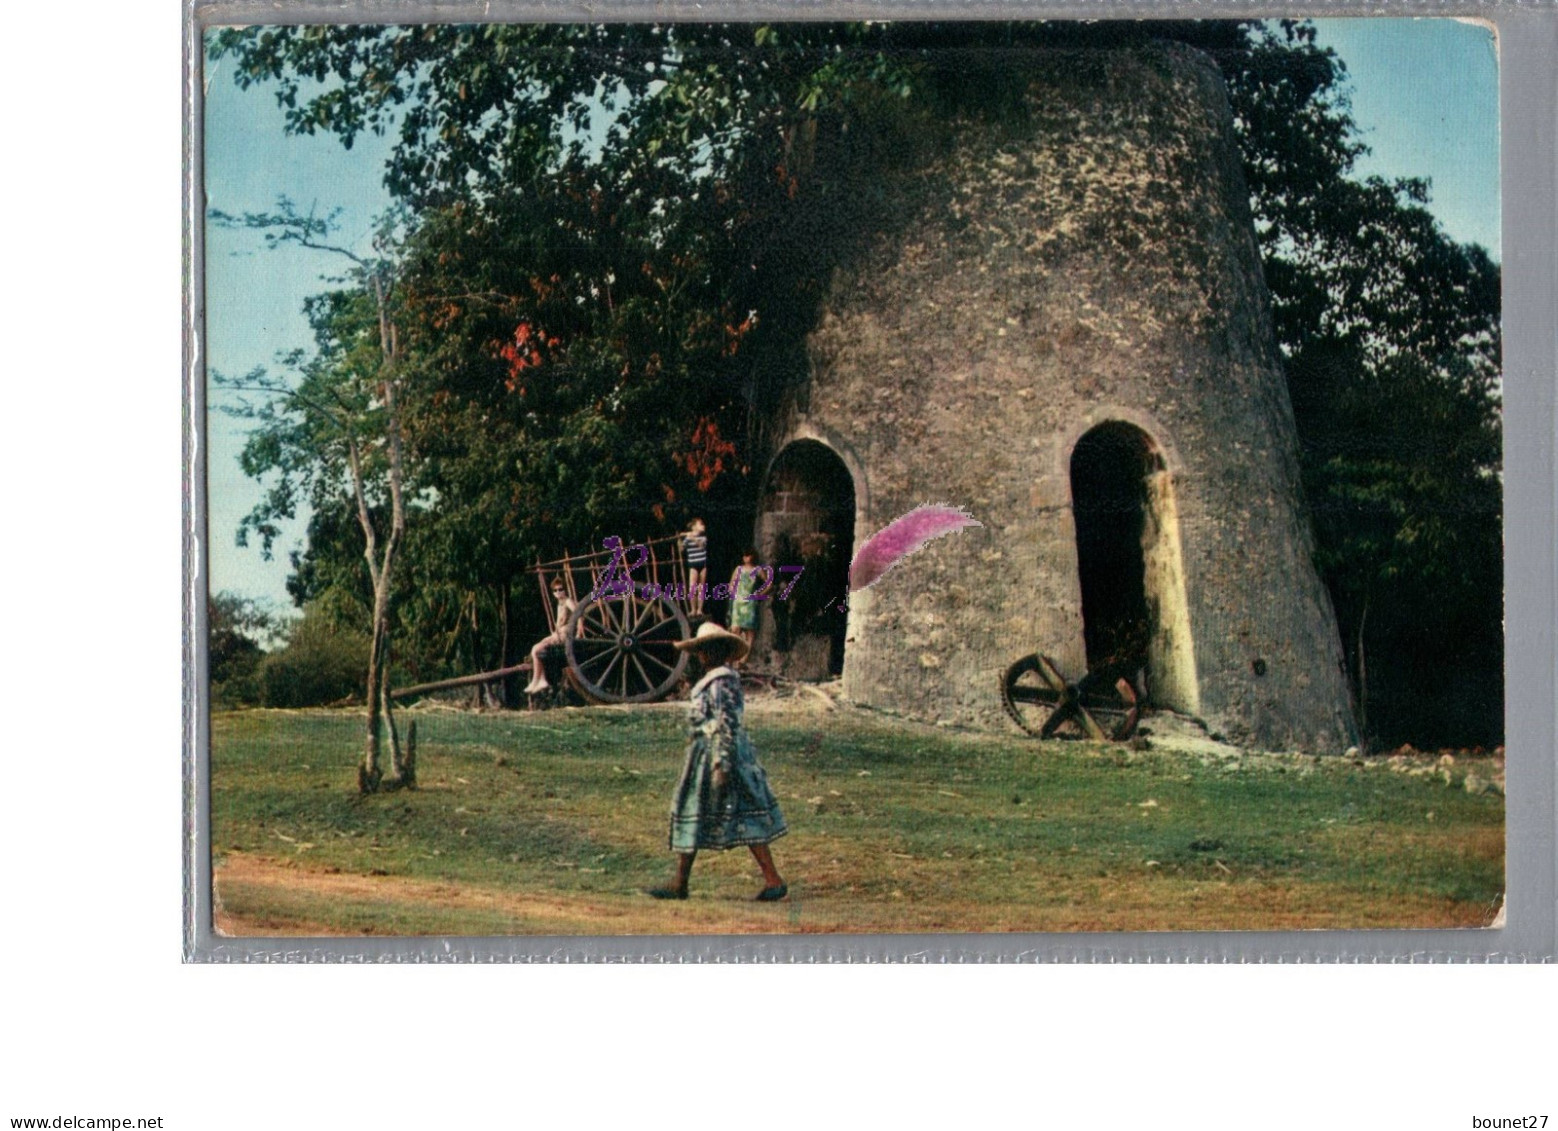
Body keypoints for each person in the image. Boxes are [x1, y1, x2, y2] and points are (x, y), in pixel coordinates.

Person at [648, 622, 788, 901]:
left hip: (718, 753)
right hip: (707, 752)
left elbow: (727, 723)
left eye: (705, 650)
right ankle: (681, 881)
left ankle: (771, 878)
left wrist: (721, 763)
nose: (701, 656)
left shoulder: (721, 682)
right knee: (706, 809)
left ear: (715, 652)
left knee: (718, 808)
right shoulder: (717, 680)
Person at [524, 576, 578, 696]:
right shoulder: (560, 604)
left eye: (561, 589)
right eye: (555, 590)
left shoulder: (568, 601)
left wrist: (578, 631)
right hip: (557, 634)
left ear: (565, 590)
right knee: (536, 649)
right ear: (553, 593)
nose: (558, 592)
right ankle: (540, 679)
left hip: (564, 635)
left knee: (536, 649)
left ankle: (537, 681)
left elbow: (579, 614)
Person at [727, 548, 763, 665]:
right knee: (735, 630)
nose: (746, 558)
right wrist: (733, 593)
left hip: (750, 603)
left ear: (753, 556)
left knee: (750, 633)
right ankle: (735, 659)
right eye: (744, 556)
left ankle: (743, 661)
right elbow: (731, 584)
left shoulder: (757, 570)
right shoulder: (739, 569)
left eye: (748, 555)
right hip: (738, 602)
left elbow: (770, 584)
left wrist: (759, 594)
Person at [682, 518, 708, 616]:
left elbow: (701, 545)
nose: (703, 526)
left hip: (702, 564)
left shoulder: (703, 538)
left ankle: (699, 609)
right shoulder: (687, 538)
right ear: (694, 527)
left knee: (701, 587)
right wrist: (680, 542)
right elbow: (682, 549)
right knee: (692, 587)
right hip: (693, 564)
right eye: (700, 524)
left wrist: (691, 537)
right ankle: (693, 609)